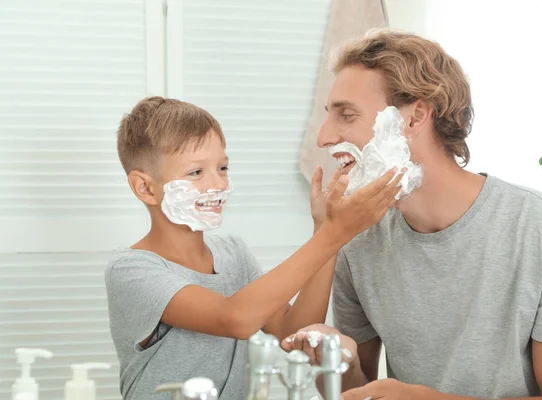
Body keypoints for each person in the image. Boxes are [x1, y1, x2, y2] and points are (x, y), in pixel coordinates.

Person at [282, 29, 542, 399]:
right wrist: (342, 363)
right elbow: (363, 391)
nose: (323, 137)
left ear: (415, 118)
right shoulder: (358, 240)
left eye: (346, 115)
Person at [104, 96, 402, 400]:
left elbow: (293, 330)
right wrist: (335, 234)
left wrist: (325, 231)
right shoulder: (132, 271)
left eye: (222, 167)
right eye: (196, 172)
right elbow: (235, 318)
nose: (217, 184)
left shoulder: (233, 254)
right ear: (145, 188)